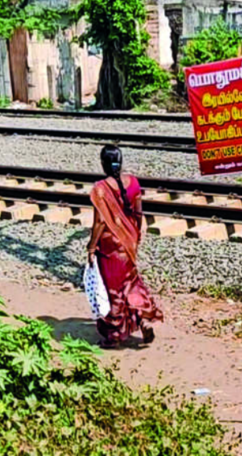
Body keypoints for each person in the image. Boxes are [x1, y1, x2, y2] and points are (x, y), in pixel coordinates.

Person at [87, 145, 163, 348]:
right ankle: (143, 317)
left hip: (109, 247)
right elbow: (139, 214)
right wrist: (134, 237)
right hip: (129, 242)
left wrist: (91, 246)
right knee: (131, 283)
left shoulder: (100, 189)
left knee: (114, 290)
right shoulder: (133, 183)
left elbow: (100, 222)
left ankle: (114, 336)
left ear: (103, 164)